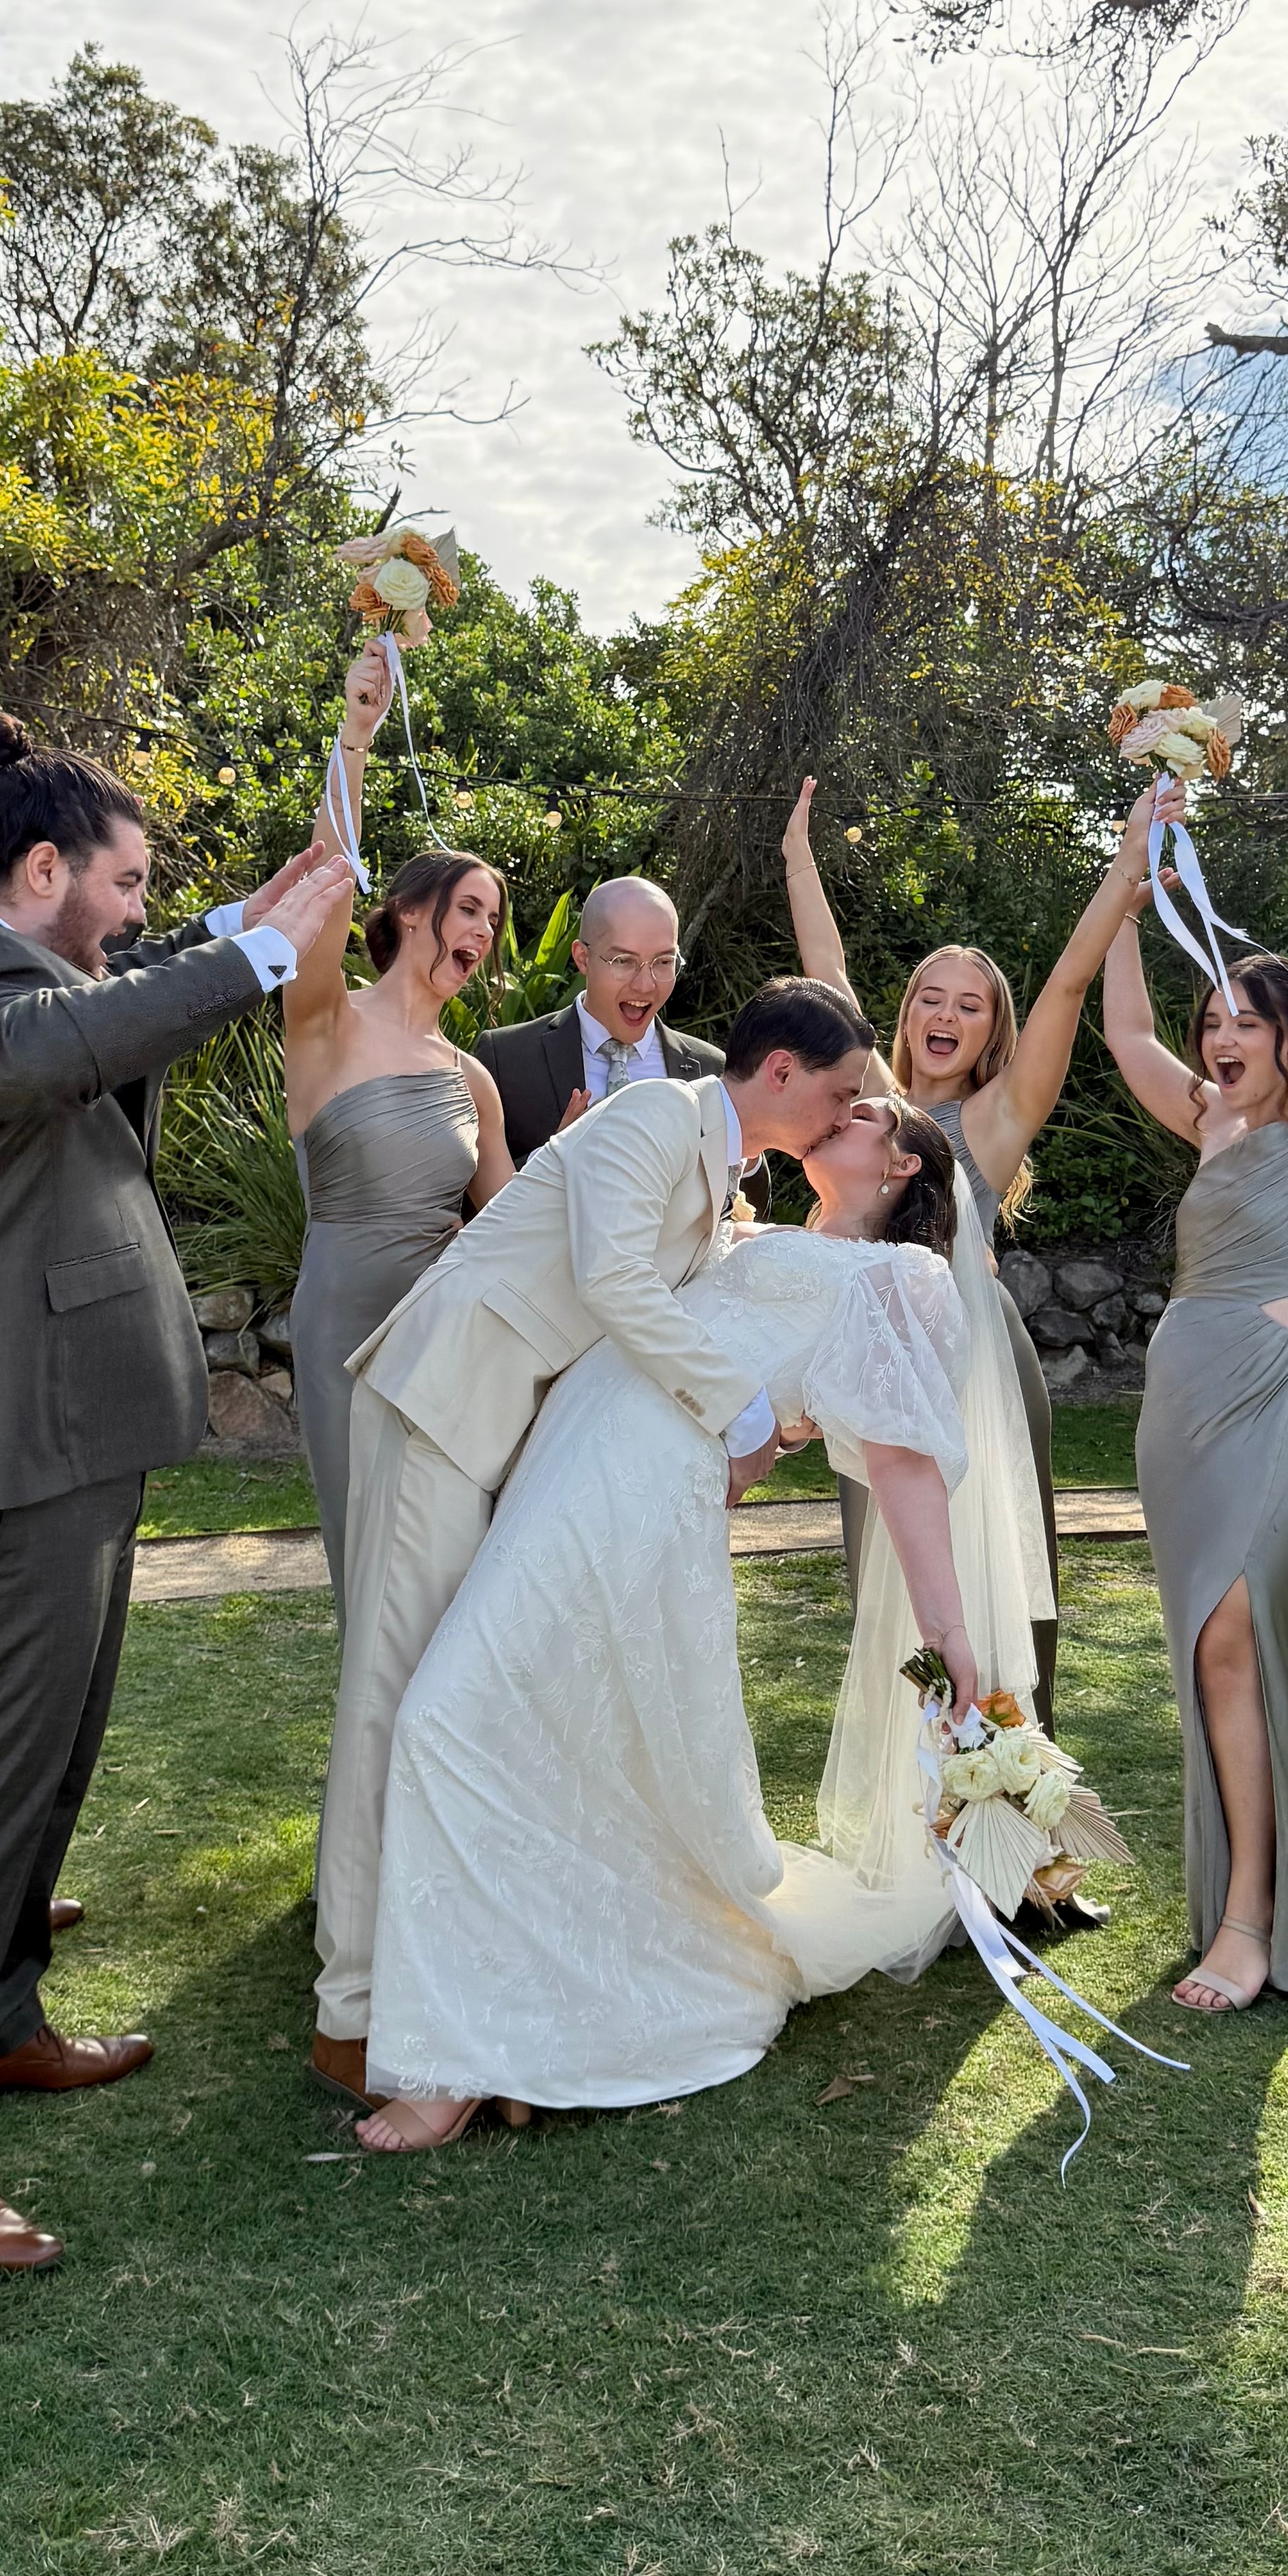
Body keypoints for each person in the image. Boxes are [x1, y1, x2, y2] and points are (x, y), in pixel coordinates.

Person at [0, 717, 354, 2270]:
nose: (136, 912)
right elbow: (49, 1047)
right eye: (124, 884)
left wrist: (235, 928)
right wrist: (255, 960)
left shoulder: (22, 963)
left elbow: (95, 1003)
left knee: (41, 1767)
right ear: (41, 865)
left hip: (57, 1448)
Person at [357, 1093, 980, 2144]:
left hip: (636, 1490)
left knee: (447, 1716)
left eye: (866, 1110)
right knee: (556, 1737)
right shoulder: (739, 1223)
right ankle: (521, 2018)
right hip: (569, 1451)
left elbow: (905, 1466)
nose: (838, 1109)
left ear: (908, 1165)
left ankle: (453, 2063)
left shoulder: (898, 1278)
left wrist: (950, 1634)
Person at [309, 976, 878, 2105]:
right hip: (444, 1399)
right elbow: (616, 1277)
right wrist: (746, 1410)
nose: (845, 1110)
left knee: (450, 1695)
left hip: (505, 1433)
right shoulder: (658, 1115)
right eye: (841, 1089)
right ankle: (354, 2009)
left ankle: (442, 1974)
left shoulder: (718, 1165)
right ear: (779, 1072)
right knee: (394, 1696)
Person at [1098, 775, 1288, 2012]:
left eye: (1244, 1023)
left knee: (1246, 1634)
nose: (1218, 1041)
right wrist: (1128, 872)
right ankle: (1249, 1902)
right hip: (1185, 1418)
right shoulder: (1207, 1122)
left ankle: (1251, 1922)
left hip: (1284, 1407)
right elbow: (1118, 1032)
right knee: (1211, 1655)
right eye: (1209, 1018)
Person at [780, 777, 1132, 1749]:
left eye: (968, 1005)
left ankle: (1025, 1821)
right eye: (929, 997)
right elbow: (827, 972)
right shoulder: (872, 1106)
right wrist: (797, 859)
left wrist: (1126, 863)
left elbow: (1066, 982)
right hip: (873, 1369)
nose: (945, 1013)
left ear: (990, 1032)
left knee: (1004, 1586)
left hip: (977, 1361)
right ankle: (922, 1815)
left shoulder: (995, 1118)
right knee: (893, 1588)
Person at [284, 650, 512, 1595]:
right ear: (414, 912)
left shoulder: (474, 1080)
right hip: (344, 1325)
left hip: (447, 1336)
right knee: (376, 1570)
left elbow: (513, 1230)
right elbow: (325, 882)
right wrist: (357, 736)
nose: (484, 931)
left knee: (453, 1571)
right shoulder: (327, 1024)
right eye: (469, 908)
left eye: (494, 920)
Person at [475, 871, 724, 1166]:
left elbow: (743, 1196)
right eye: (624, 962)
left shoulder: (710, 1069)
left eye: (664, 962)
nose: (646, 985)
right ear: (583, 958)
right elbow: (473, 1201)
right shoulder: (506, 1058)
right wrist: (554, 1159)